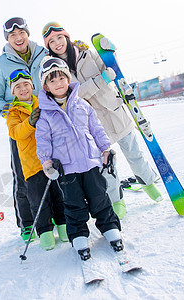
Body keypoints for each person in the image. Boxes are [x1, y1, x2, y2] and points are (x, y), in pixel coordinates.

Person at [41, 22, 163, 220]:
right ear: (48, 46)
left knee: (134, 153)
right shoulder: (57, 70)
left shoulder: (86, 53)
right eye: (51, 41)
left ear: (67, 37)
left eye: (59, 38)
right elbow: (75, 93)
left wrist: (111, 51)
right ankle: (116, 201)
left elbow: (110, 67)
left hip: (114, 111)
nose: (57, 43)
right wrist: (100, 80)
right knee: (107, 165)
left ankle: (149, 183)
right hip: (91, 121)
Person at [35, 57, 123, 260]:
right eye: (52, 81)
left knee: (100, 197)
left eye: (61, 78)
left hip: (91, 162)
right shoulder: (46, 114)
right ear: (46, 86)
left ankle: (110, 228)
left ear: (68, 79)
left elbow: (96, 128)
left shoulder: (82, 104)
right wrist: (47, 162)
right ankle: (79, 236)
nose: (58, 84)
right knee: (74, 204)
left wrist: (105, 149)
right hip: (66, 168)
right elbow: (43, 141)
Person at [0, 17, 48, 242]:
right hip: (22, 127)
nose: (18, 38)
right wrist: (8, 111)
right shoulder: (0, 65)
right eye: (12, 35)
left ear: (27, 33)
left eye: (20, 33)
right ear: (7, 39)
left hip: (49, 123)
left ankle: (54, 216)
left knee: (53, 169)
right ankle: (27, 223)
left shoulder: (43, 54)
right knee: (24, 176)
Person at [6, 69, 68, 250]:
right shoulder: (13, 112)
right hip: (31, 164)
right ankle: (45, 231)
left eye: (26, 84)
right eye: (18, 87)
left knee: (58, 194)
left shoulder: (42, 102)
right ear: (13, 91)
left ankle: (63, 225)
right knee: (38, 198)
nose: (23, 89)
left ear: (32, 86)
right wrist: (30, 123)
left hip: (50, 158)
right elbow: (15, 133)